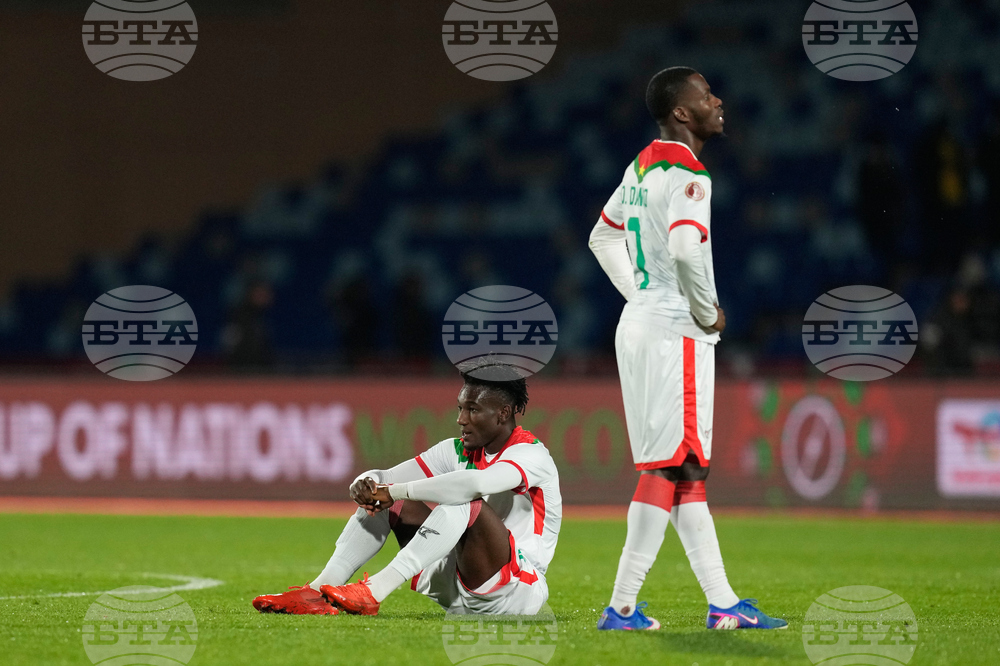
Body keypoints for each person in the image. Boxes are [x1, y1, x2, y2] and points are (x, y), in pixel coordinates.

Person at [588, 66, 786, 631]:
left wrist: (640, 294)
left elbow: (602, 236)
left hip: (642, 324)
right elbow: (683, 248)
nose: (718, 100)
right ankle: (622, 606)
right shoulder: (689, 171)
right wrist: (704, 311)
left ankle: (722, 603)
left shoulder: (640, 165)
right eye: (705, 95)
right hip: (676, 331)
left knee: (683, 469)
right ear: (682, 112)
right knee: (668, 466)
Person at [251, 359, 561, 616]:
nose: (460, 419)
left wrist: (396, 490)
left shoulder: (530, 454)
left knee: (463, 500)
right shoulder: (455, 450)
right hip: (457, 585)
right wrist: (367, 482)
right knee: (388, 499)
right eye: (460, 408)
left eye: (473, 410)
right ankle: (318, 593)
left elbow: (474, 484)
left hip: (516, 590)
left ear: (503, 413)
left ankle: (373, 591)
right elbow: (385, 478)